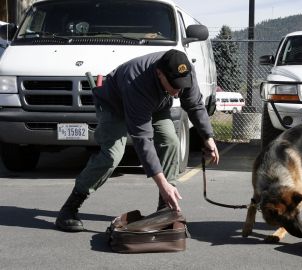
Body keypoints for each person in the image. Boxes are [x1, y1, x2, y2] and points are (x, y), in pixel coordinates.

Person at [55, 49, 219, 232]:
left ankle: (164, 210)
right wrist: (163, 184)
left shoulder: (184, 70)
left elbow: (195, 104)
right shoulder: (136, 81)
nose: (177, 91)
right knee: (112, 156)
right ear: (159, 73)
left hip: (155, 105)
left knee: (171, 141)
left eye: (181, 85)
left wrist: (208, 137)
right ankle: (70, 207)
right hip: (114, 105)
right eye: (174, 85)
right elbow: (143, 139)